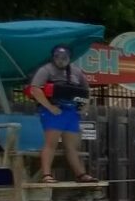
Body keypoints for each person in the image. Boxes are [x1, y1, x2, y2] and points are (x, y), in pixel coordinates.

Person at [25, 45, 96, 184]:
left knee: (72, 146)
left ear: (69, 58)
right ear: (53, 57)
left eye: (64, 58)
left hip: (71, 112)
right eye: (58, 57)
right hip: (54, 111)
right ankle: (47, 175)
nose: (61, 60)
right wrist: (50, 107)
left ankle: (80, 174)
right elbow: (35, 89)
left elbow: (87, 91)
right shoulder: (46, 70)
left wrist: (85, 107)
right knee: (50, 144)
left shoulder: (76, 72)